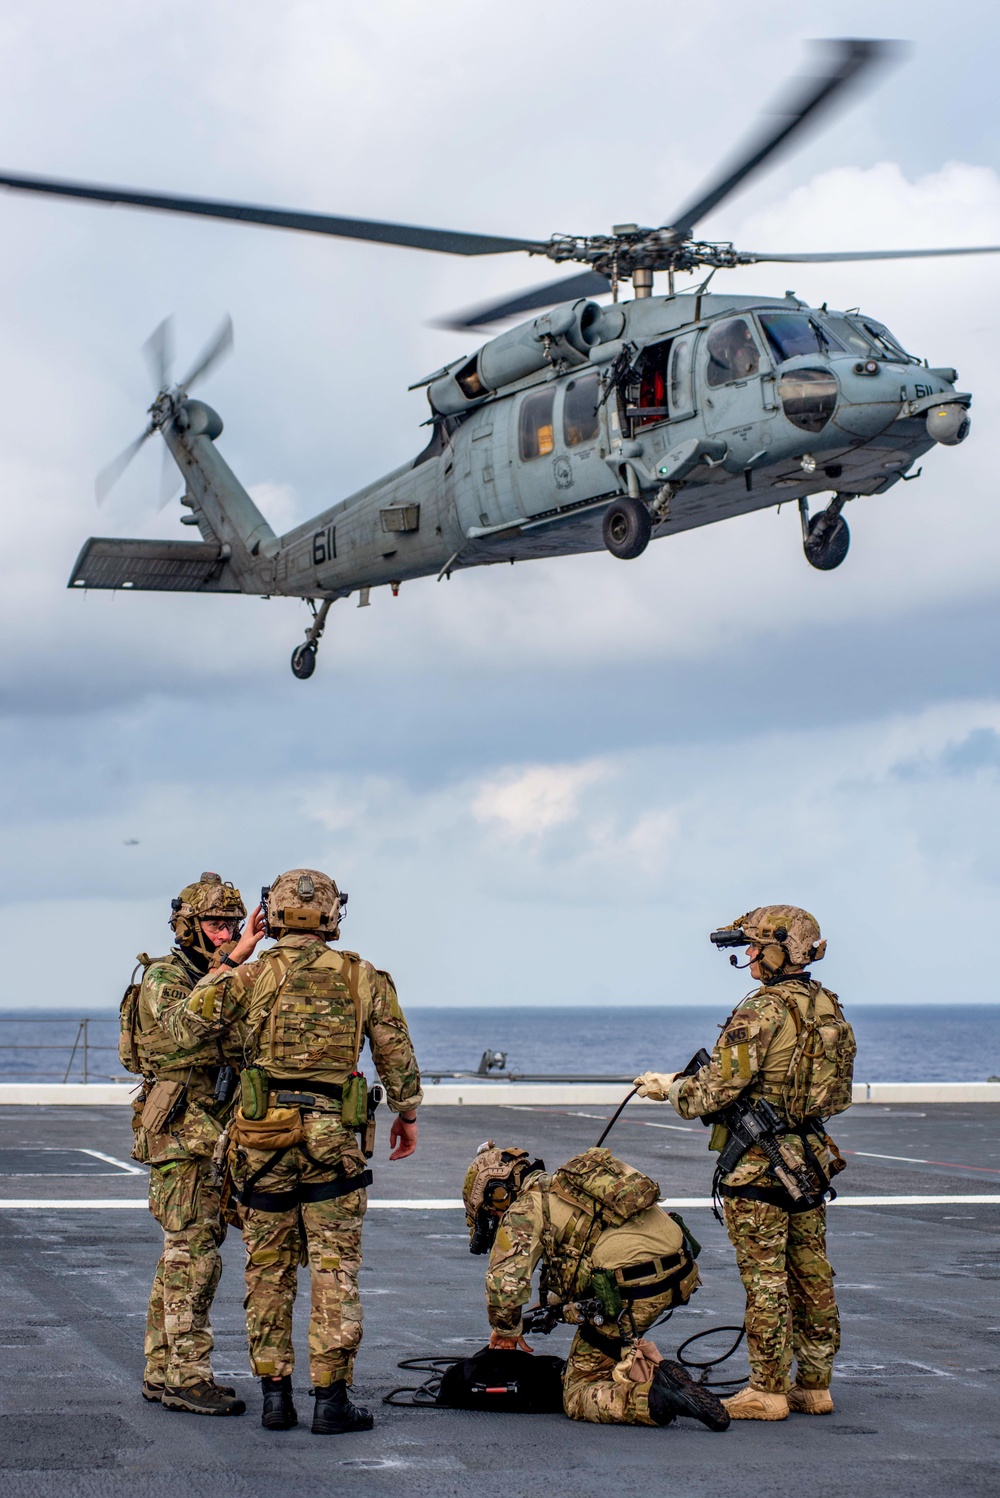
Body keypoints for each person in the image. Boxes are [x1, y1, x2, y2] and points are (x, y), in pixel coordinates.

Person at [162, 868, 422, 1436]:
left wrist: (231, 960)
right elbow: (395, 1054)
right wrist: (406, 1114)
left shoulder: (250, 975)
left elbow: (183, 1027)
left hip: (261, 1140)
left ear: (271, 914)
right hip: (334, 1140)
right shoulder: (363, 976)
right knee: (334, 1270)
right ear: (332, 915)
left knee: (268, 1270)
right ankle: (331, 1401)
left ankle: (275, 1398)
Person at [634, 905, 856, 1421]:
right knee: (812, 1273)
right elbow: (836, 1095)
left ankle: (768, 1391)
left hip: (759, 1166)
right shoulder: (828, 1006)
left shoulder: (760, 1010)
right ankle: (814, 1387)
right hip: (808, 1159)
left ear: (783, 950)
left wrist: (670, 1088)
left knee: (767, 1280)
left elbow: (712, 1092)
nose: (749, 954)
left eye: (756, 946)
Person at [462, 1142, 729, 1431]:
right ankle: (648, 1371)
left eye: (492, 1213)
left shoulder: (523, 1209)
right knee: (604, 1334)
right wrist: (547, 1311)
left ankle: (656, 1397)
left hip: (636, 1290)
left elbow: (504, 1287)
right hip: (680, 1272)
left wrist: (506, 1331)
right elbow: (582, 1260)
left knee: (577, 1391)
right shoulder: (571, 1189)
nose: (496, 1219)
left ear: (498, 1195)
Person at [122, 872, 250, 1416]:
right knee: (193, 1259)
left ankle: (160, 1369)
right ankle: (187, 1376)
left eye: (231, 924)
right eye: (214, 924)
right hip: (182, 1138)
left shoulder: (219, 974)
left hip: (210, 1136)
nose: (224, 933)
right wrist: (231, 965)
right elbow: (184, 1030)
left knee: (183, 1255)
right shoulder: (166, 977)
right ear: (187, 925)